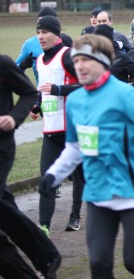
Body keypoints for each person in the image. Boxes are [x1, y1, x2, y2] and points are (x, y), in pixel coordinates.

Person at [38, 34, 134, 279]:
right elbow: (76, 148)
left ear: (105, 62)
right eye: (76, 61)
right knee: (98, 265)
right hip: (97, 193)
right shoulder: (75, 101)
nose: (80, 66)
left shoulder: (127, 96)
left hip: (132, 190)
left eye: (87, 59)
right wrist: (53, 175)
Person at [0, 54, 61, 279]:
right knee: (4, 208)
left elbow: (29, 93)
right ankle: (46, 256)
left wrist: (14, 118)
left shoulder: (3, 64)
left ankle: (45, 255)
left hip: (1, 146)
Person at [31, 15, 85, 234]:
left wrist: (58, 90)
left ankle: (75, 216)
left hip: (72, 129)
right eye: (38, 32)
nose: (40, 36)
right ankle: (44, 226)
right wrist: (36, 105)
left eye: (44, 32)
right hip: (51, 130)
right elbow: (42, 89)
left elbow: (86, 83)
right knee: (47, 178)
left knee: (79, 175)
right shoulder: (39, 60)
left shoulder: (68, 55)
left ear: (56, 33)